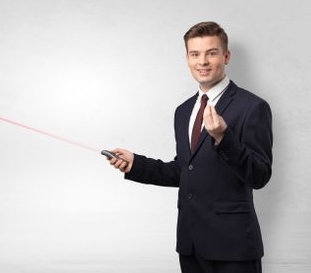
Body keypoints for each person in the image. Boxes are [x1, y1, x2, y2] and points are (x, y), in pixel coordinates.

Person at [106, 21, 272, 273]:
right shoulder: (183, 111)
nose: (202, 61)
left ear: (226, 56)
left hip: (234, 246)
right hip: (191, 243)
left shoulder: (252, 107)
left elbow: (259, 176)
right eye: (195, 54)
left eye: (211, 53)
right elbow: (185, 170)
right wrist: (135, 164)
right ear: (187, 58)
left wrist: (223, 137)